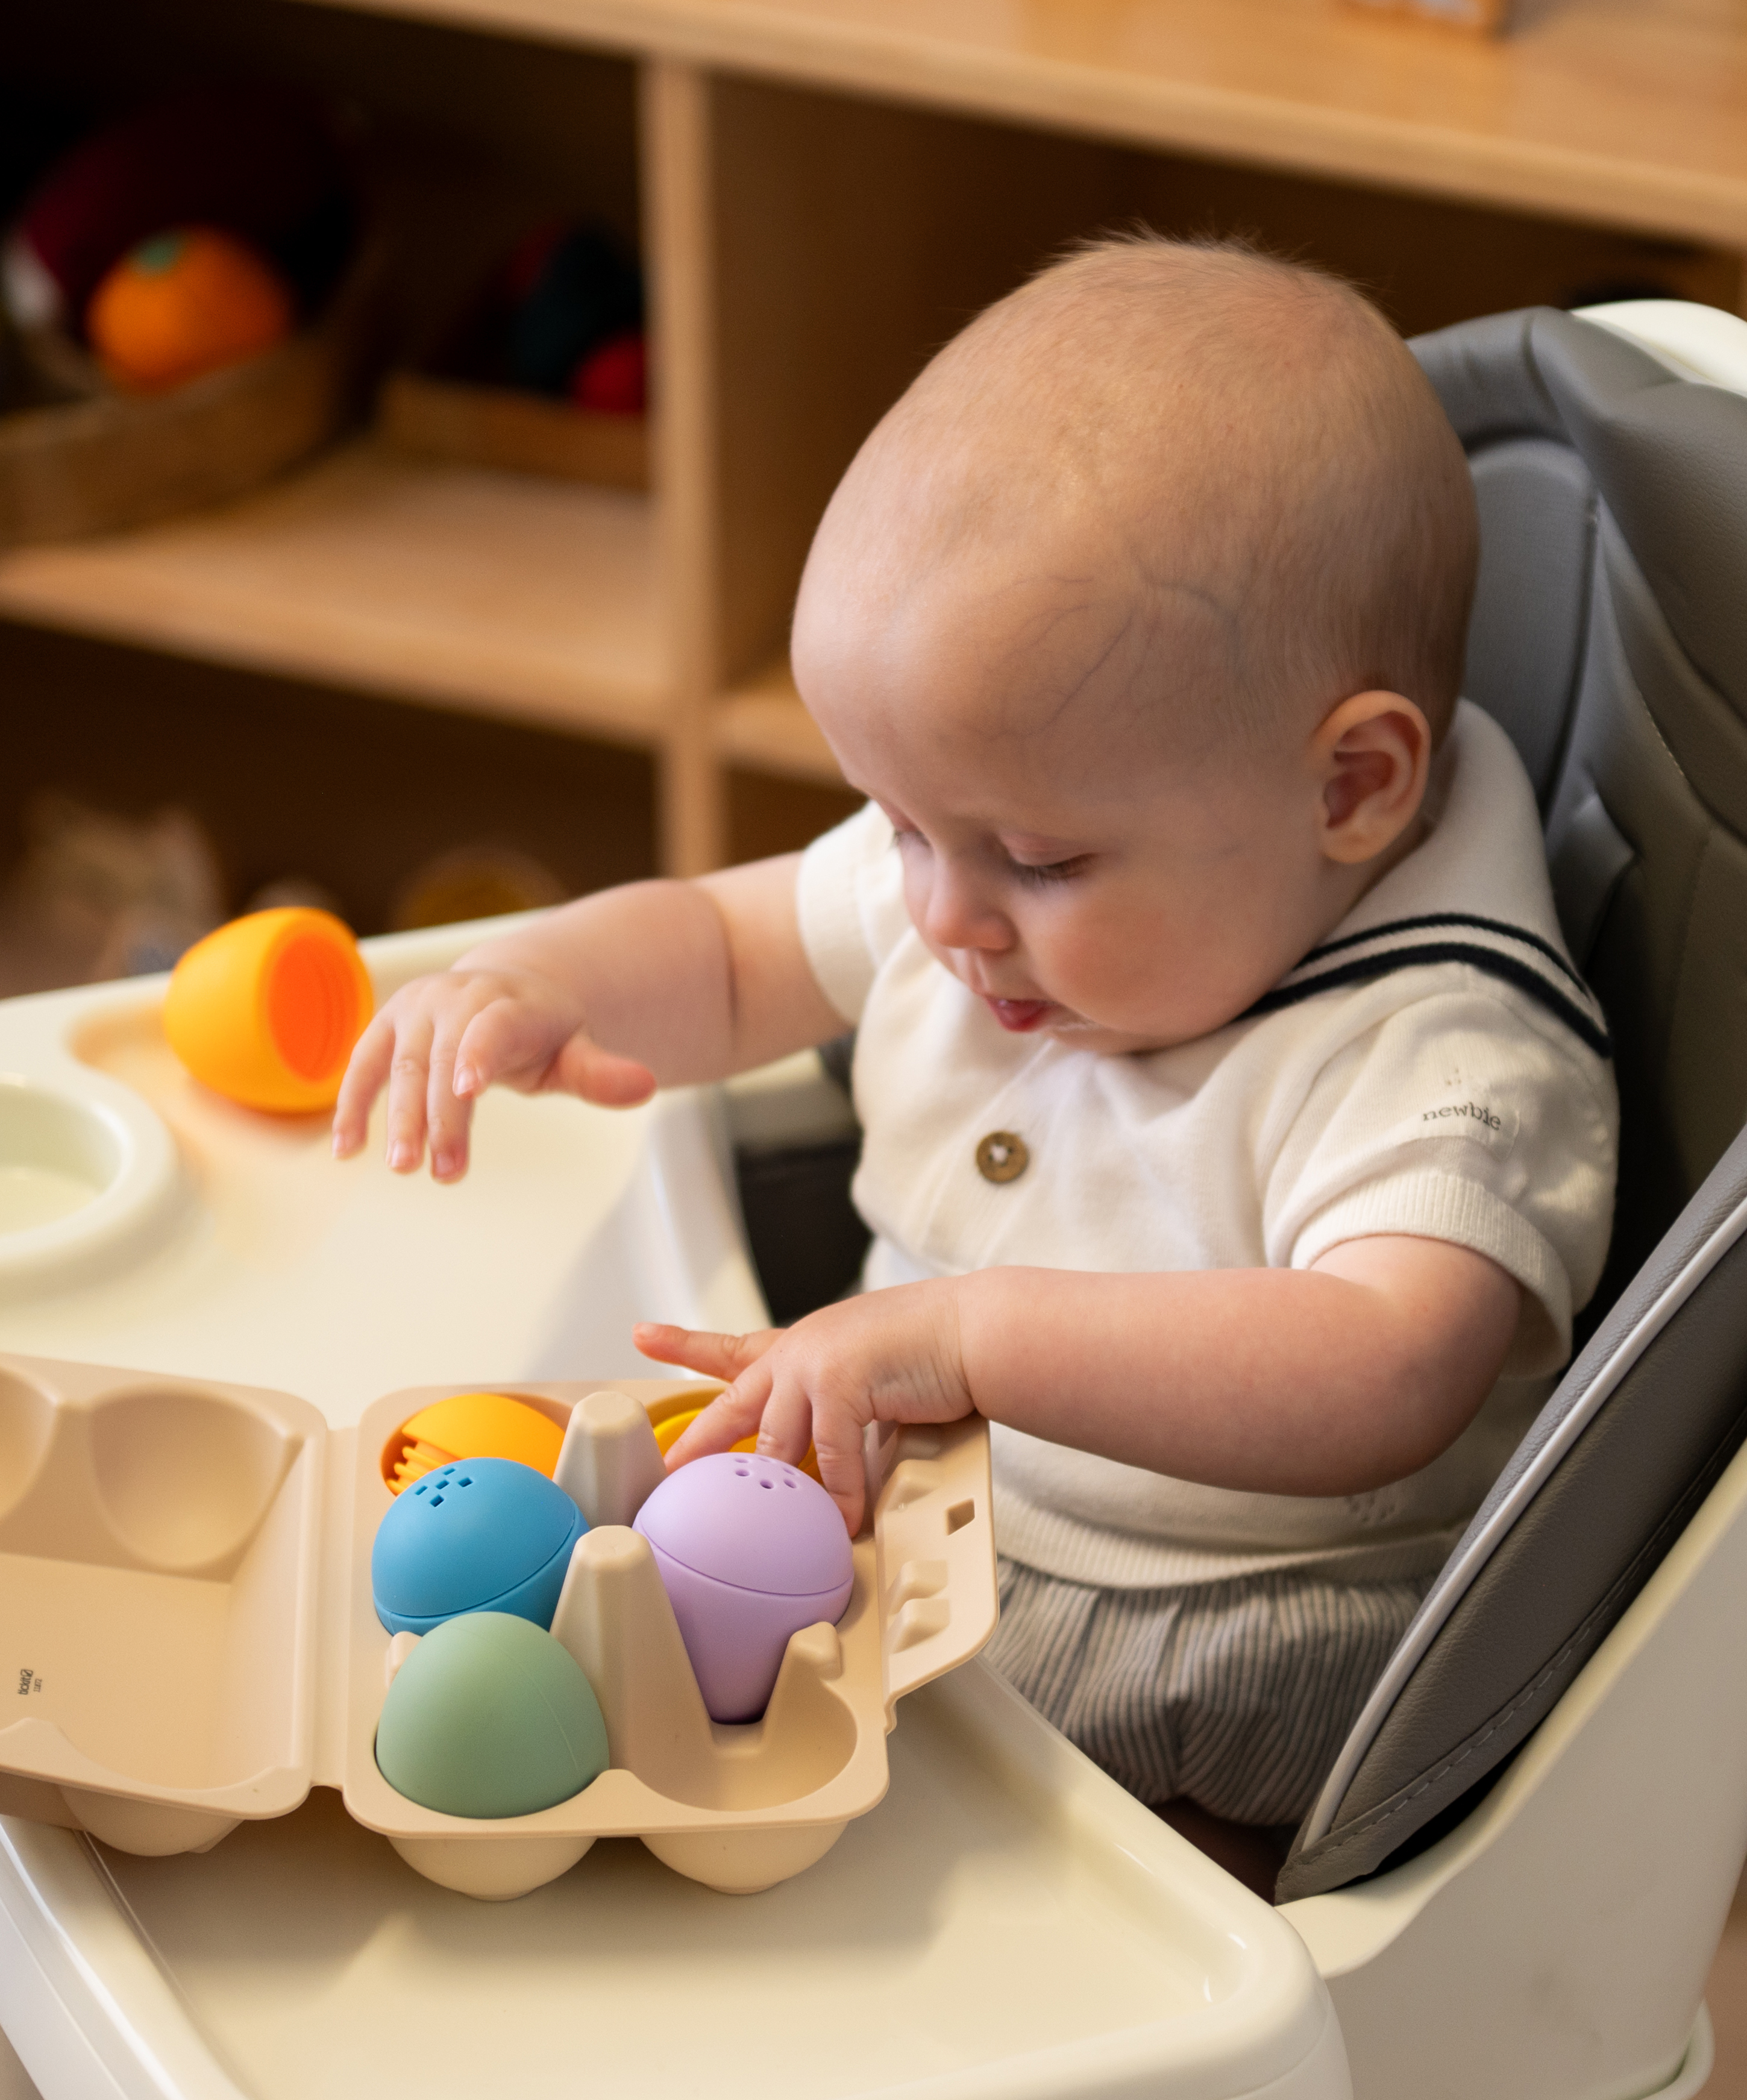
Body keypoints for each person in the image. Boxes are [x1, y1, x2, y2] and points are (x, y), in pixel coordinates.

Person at [333, 235, 1616, 1835]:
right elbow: (733, 952)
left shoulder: (1439, 1055)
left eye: (1041, 861)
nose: (939, 913)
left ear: (1350, 788)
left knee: (850, 1865)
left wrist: (967, 1339)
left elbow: (1391, 1364)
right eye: (898, 822)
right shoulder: (999, 853)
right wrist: (538, 983)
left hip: (1203, 1638)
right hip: (927, 1513)